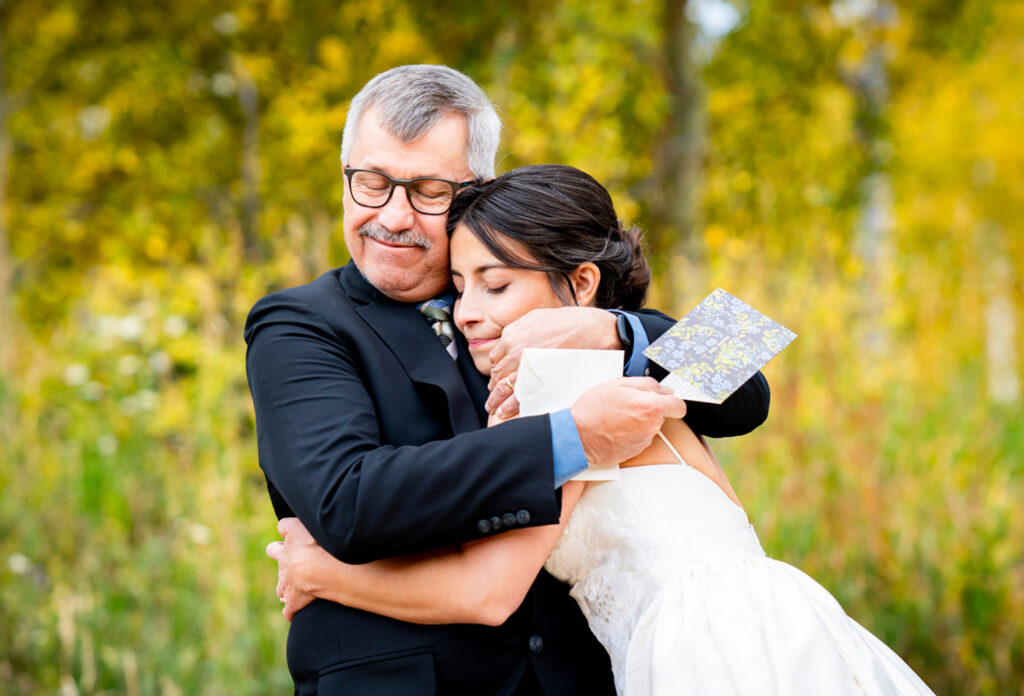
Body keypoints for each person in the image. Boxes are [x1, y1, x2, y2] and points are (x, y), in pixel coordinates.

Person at [268, 165, 935, 696]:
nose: (469, 313)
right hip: (771, 615)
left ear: (583, 281)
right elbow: (735, 343)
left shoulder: (561, 376)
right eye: (459, 290)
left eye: (494, 287)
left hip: (701, 640)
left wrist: (319, 572)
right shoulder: (608, 368)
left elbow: (487, 592)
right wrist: (609, 327)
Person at [245, 65, 769, 695]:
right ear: (346, 177)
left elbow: (746, 387)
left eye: (429, 191)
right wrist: (571, 437)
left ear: (476, 192)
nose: (393, 215)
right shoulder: (297, 321)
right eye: (372, 183)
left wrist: (611, 331)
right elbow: (350, 502)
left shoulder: (534, 292)